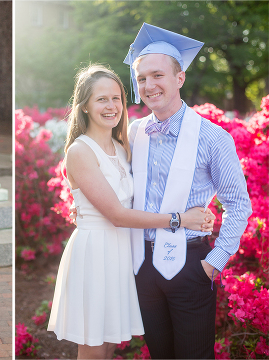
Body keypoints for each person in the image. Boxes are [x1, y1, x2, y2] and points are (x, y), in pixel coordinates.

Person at [47, 64, 215, 359]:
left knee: (110, 343)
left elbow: (149, 193)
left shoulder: (123, 146)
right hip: (95, 252)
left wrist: (202, 210)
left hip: (123, 252)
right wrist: (180, 219)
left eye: (117, 98)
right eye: (101, 99)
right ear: (84, 105)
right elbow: (117, 214)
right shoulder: (80, 151)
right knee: (93, 347)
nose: (111, 106)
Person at [122, 23, 251, 359]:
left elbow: (238, 205)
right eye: (141, 78)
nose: (149, 85)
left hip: (191, 264)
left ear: (179, 78)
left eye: (157, 75)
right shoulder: (135, 132)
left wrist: (214, 263)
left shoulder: (213, 137)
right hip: (143, 264)